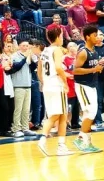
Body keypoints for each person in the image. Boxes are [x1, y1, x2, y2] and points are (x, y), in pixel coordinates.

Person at [37, 26, 73, 156]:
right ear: (58, 36)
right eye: (62, 35)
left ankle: (61, 146)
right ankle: (42, 138)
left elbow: (39, 71)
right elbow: (58, 68)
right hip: (57, 85)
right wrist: (64, 82)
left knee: (62, 114)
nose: (63, 38)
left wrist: (44, 81)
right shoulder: (56, 50)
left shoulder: (45, 51)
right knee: (56, 115)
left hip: (47, 86)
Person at [72, 24, 104, 153]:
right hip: (83, 85)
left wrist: (99, 66)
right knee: (90, 112)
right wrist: (93, 69)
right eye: (95, 35)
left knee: (90, 114)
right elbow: (75, 70)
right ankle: (80, 138)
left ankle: (88, 143)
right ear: (87, 37)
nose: (97, 37)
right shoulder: (83, 52)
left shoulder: (94, 52)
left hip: (92, 84)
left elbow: (93, 68)